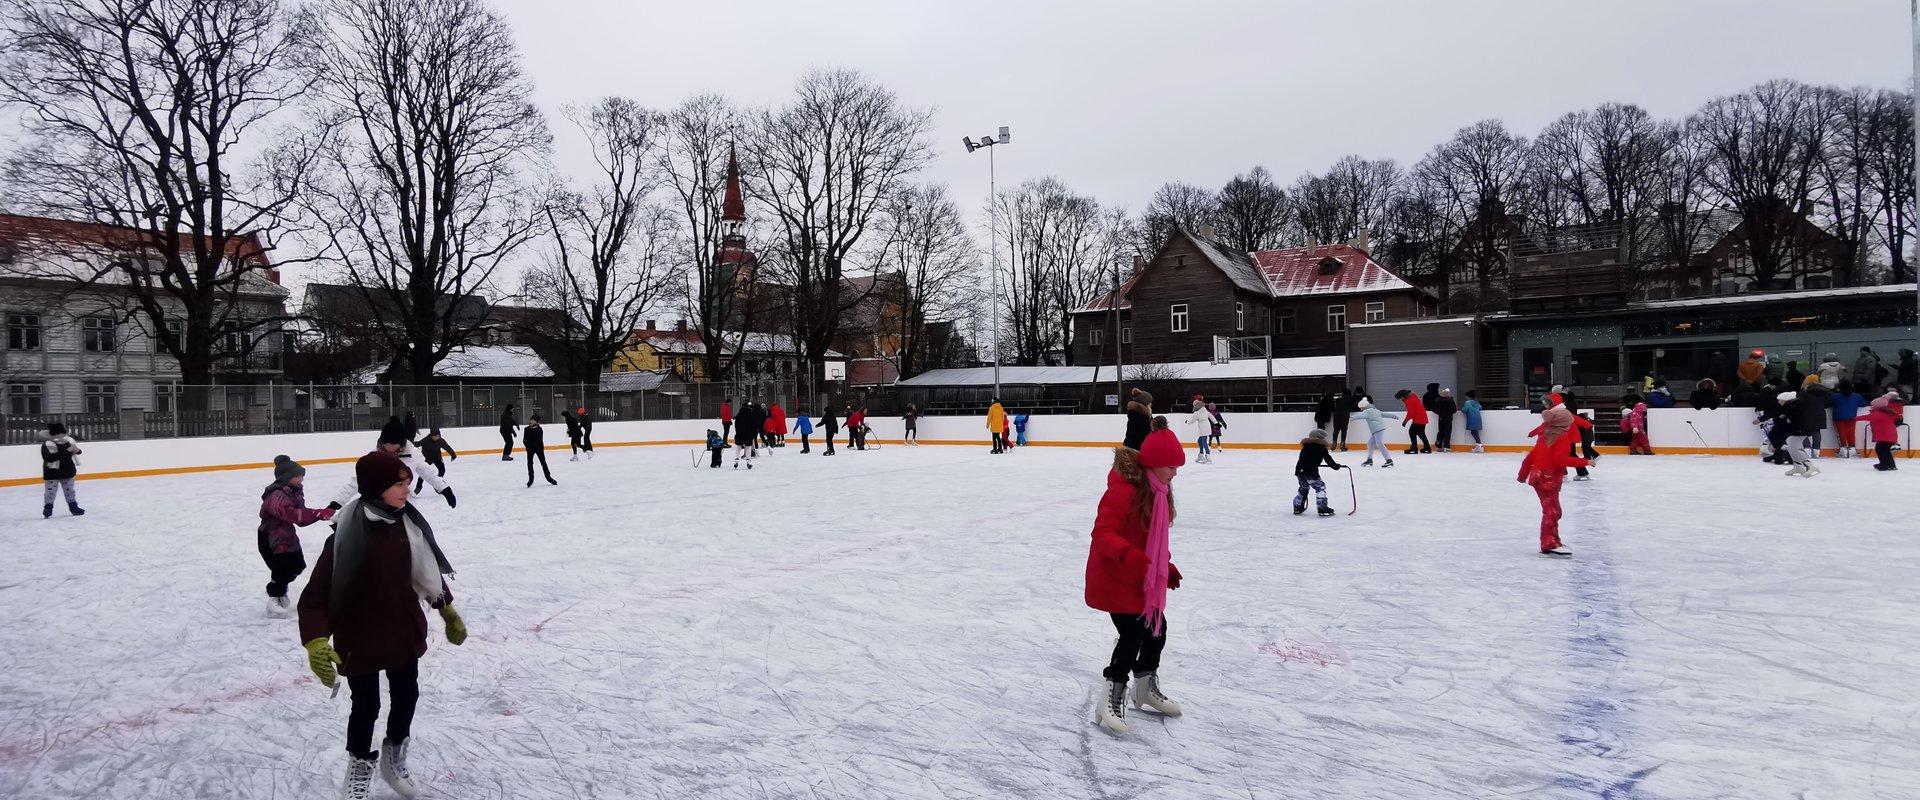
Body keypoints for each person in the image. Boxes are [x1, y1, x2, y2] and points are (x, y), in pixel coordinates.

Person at [299, 450, 465, 800]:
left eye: (407, 482)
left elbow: (425, 572)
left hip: (402, 630)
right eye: (399, 484)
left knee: (407, 696)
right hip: (360, 637)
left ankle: (394, 756)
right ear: (376, 488)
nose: (407, 489)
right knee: (366, 706)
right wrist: (316, 640)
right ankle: (359, 764)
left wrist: (446, 610)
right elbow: (315, 596)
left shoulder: (408, 525)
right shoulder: (343, 538)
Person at [1085, 421, 1186, 737]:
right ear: (1154, 464)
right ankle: (1111, 696)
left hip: (1140, 576)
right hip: (1116, 574)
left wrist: (1164, 566)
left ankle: (1144, 686)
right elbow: (1102, 533)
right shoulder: (1123, 491)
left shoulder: (1157, 493)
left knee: (1157, 630)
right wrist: (1129, 555)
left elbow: (1153, 542)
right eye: (1171, 465)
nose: (1175, 473)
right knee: (1133, 633)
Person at [259, 456, 334, 617]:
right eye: (297, 476)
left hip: (287, 536)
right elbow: (290, 514)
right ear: (285, 478)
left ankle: (279, 592)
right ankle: (274, 598)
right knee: (282, 568)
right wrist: (318, 513)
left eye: (301, 475)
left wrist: (320, 514)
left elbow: (301, 518)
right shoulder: (275, 495)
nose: (301, 478)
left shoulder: (295, 491)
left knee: (297, 566)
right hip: (271, 537)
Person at [1518, 394, 1591, 557]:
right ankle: (1549, 543)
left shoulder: (1548, 430)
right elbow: (1560, 460)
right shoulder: (1558, 426)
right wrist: (1586, 462)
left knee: (1553, 510)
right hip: (1548, 477)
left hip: (1539, 476)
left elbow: (1531, 456)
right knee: (1552, 510)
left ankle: (1552, 540)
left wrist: (1522, 475)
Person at [332, 419, 457, 510]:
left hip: (403, 503)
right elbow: (357, 481)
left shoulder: (412, 454)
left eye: (394, 448)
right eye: (386, 447)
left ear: (401, 444)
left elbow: (428, 473)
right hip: (377, 504)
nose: (390, 451)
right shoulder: (375, 456)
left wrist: (445, 489)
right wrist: (337, 502)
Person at [1292, 428, 1345, 517]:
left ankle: (1297, 506)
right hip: (1311, 472)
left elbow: (1304, 459)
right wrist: (1335, 466)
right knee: (1320, 487)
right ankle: (1322, 508)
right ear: (1320, 438)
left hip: (1299, 471)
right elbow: (1328, 459)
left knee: (1303, 488)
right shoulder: (1321, 447)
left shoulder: (1305, 446)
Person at [39, 422, 84, 518]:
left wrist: (77, 450)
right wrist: (67, 451)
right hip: (52, 473)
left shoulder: (66, 442)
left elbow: (77, 451)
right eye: (61, 434)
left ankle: (73, 508)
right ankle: (48, 508)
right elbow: (49, 458)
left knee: (70, 491)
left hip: (66, 472)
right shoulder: (47, 444)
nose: (63, 436)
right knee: (50, 492)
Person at [1768, 391, 1817, 477]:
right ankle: (1798, 466)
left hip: (1800, 430)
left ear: (1786, 400)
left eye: (1780, 400)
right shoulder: (1792, 406)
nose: (1779, 402)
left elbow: (1796, 419)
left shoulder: (1793, 407)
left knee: (1795, 448)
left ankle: (1810, 466)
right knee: (1791, 447)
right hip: (1797, 430)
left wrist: (1786, 418)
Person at [1561, 390, 1600, 479]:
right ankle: (1581, 473)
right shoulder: (1568, 405)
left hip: (1567, 434)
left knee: (1567, 454)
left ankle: (1564, 473)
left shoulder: (1569, 405)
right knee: (1570, 454)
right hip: (1566, 433)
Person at [1350, 397, 1398, 468]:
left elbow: (1360, 416)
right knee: (1370, 444)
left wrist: (1352, 417)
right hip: (1378, 429)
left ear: (1364, 407)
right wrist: (1394, 416)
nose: (1361, 409)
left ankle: (1389, 460)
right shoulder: (1376, 410)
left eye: (1361, 408)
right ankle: (1369, 460)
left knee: (1380, 444)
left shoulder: (1366, 412)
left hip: (1377, 429)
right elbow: (1385, 414)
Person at [1867, 390, 1905, 471]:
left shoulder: (1888, 405)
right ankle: (1889, 464)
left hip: (1887, 428)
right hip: (1891, 427)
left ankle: (1885, 464)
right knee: (1883, 448)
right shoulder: (1898, 404)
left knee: (1881, 447)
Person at [1798, 376, 1832, 459]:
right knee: (1816, 431)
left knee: (1803, 431)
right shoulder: (1825, 391)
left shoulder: (1804, 391)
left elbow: (1800, 402)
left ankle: (1807, 449)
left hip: (1807, 413)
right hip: (1820, 413)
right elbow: (1828, 403)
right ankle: (1816, 451)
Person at [1831, 381, 1867, 458]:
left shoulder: (1835, 396)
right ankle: (1852, 449)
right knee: (1851, 433)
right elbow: (1864, 404)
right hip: (1851, 417)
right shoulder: (1857, 396)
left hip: (1838, 417)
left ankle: (1843, 449)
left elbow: (1828, 403)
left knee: (1841, 433)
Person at [521, 414, 557, 486]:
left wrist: (533, 446)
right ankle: (531, 479)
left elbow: (539, 440)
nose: (531, 421)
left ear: (536, 422)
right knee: (530, 463)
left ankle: (548, 477)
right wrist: (528, 447)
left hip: (539, 449)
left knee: (543, 463)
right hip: (530, 449)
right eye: (531, 420)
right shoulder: (526, 429)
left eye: (533, 420)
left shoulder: (539, 429)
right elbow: (525, 440)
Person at [1395, 389, 1430, 454]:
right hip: (1423, 418)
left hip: (1418, 419)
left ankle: (1414, 448)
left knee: (1412, 432)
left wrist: (1405, 421)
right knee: (1421, 433)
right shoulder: (1413, 397)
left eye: (1401, 397)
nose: (1401, 399)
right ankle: (1427, 448)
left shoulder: (1409, 400)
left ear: (1404, 396)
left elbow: (1411, 413)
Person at [734, 401, 764, 468]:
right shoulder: (751, 415)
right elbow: (754, 425)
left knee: (738, 447)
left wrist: (737, 433)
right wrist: (753, 434)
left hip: (740, 433)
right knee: (748, 447)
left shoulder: (739, 415)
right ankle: (748, 461)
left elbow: (736, 425)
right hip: (748, 434)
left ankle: (736, 460)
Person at [1185, 395, 1213, 464]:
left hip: (1203, 429)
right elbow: (1210, 416)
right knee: (1200, 441)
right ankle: (1201, 454)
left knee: (1203, 441)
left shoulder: (1198, 412)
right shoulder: (1204, 410)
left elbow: (1192, 420)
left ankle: (1208, 455)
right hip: (1205, 428)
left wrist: (1187, 422)